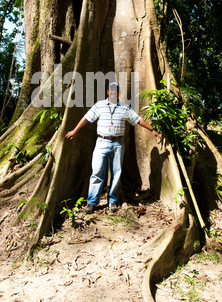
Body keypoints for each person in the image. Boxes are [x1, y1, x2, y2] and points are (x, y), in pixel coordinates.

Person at [65, 82, 162, 214]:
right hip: (102, 142)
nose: (113, 93)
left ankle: (112, 201)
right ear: (107, 92)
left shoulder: (124, 108)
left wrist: (152, 129)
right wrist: (75, 130)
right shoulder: (99, 106)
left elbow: (138, 119)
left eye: (115, 90)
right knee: (97, 172)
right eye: (111, 90)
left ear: (118, 92)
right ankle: (91, 202)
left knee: (116, 172)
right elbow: (86, 118)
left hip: (118, 143)